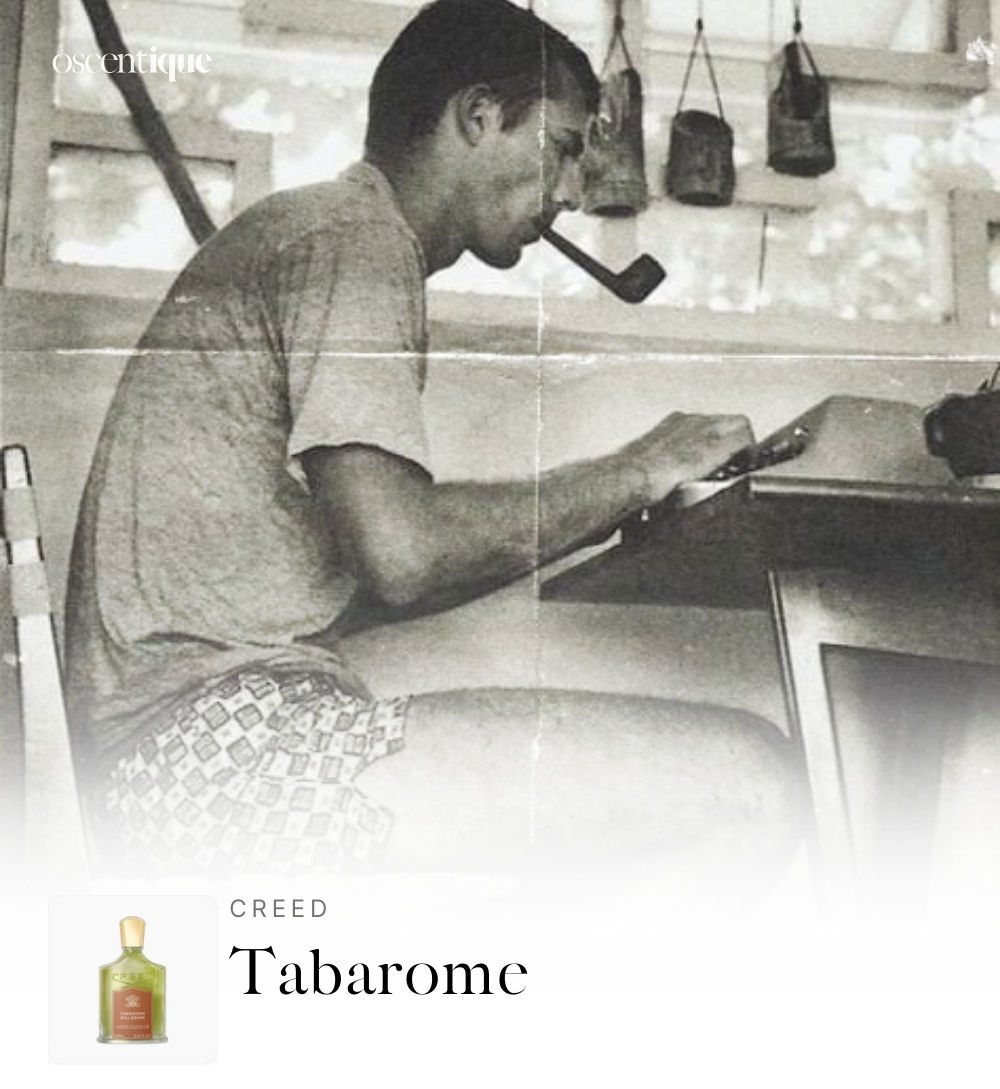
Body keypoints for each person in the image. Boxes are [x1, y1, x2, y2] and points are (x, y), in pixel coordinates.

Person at [64, 0, 797, 878]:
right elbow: (404, 555)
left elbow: (380, 565)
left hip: (185, 761)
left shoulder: (334, 234)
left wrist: (598, 504)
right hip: (217, 758)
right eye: (564, 147)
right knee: (755, 778)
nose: (572, 191)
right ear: (479, 116)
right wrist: (640, 468)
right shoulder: (354, 242)